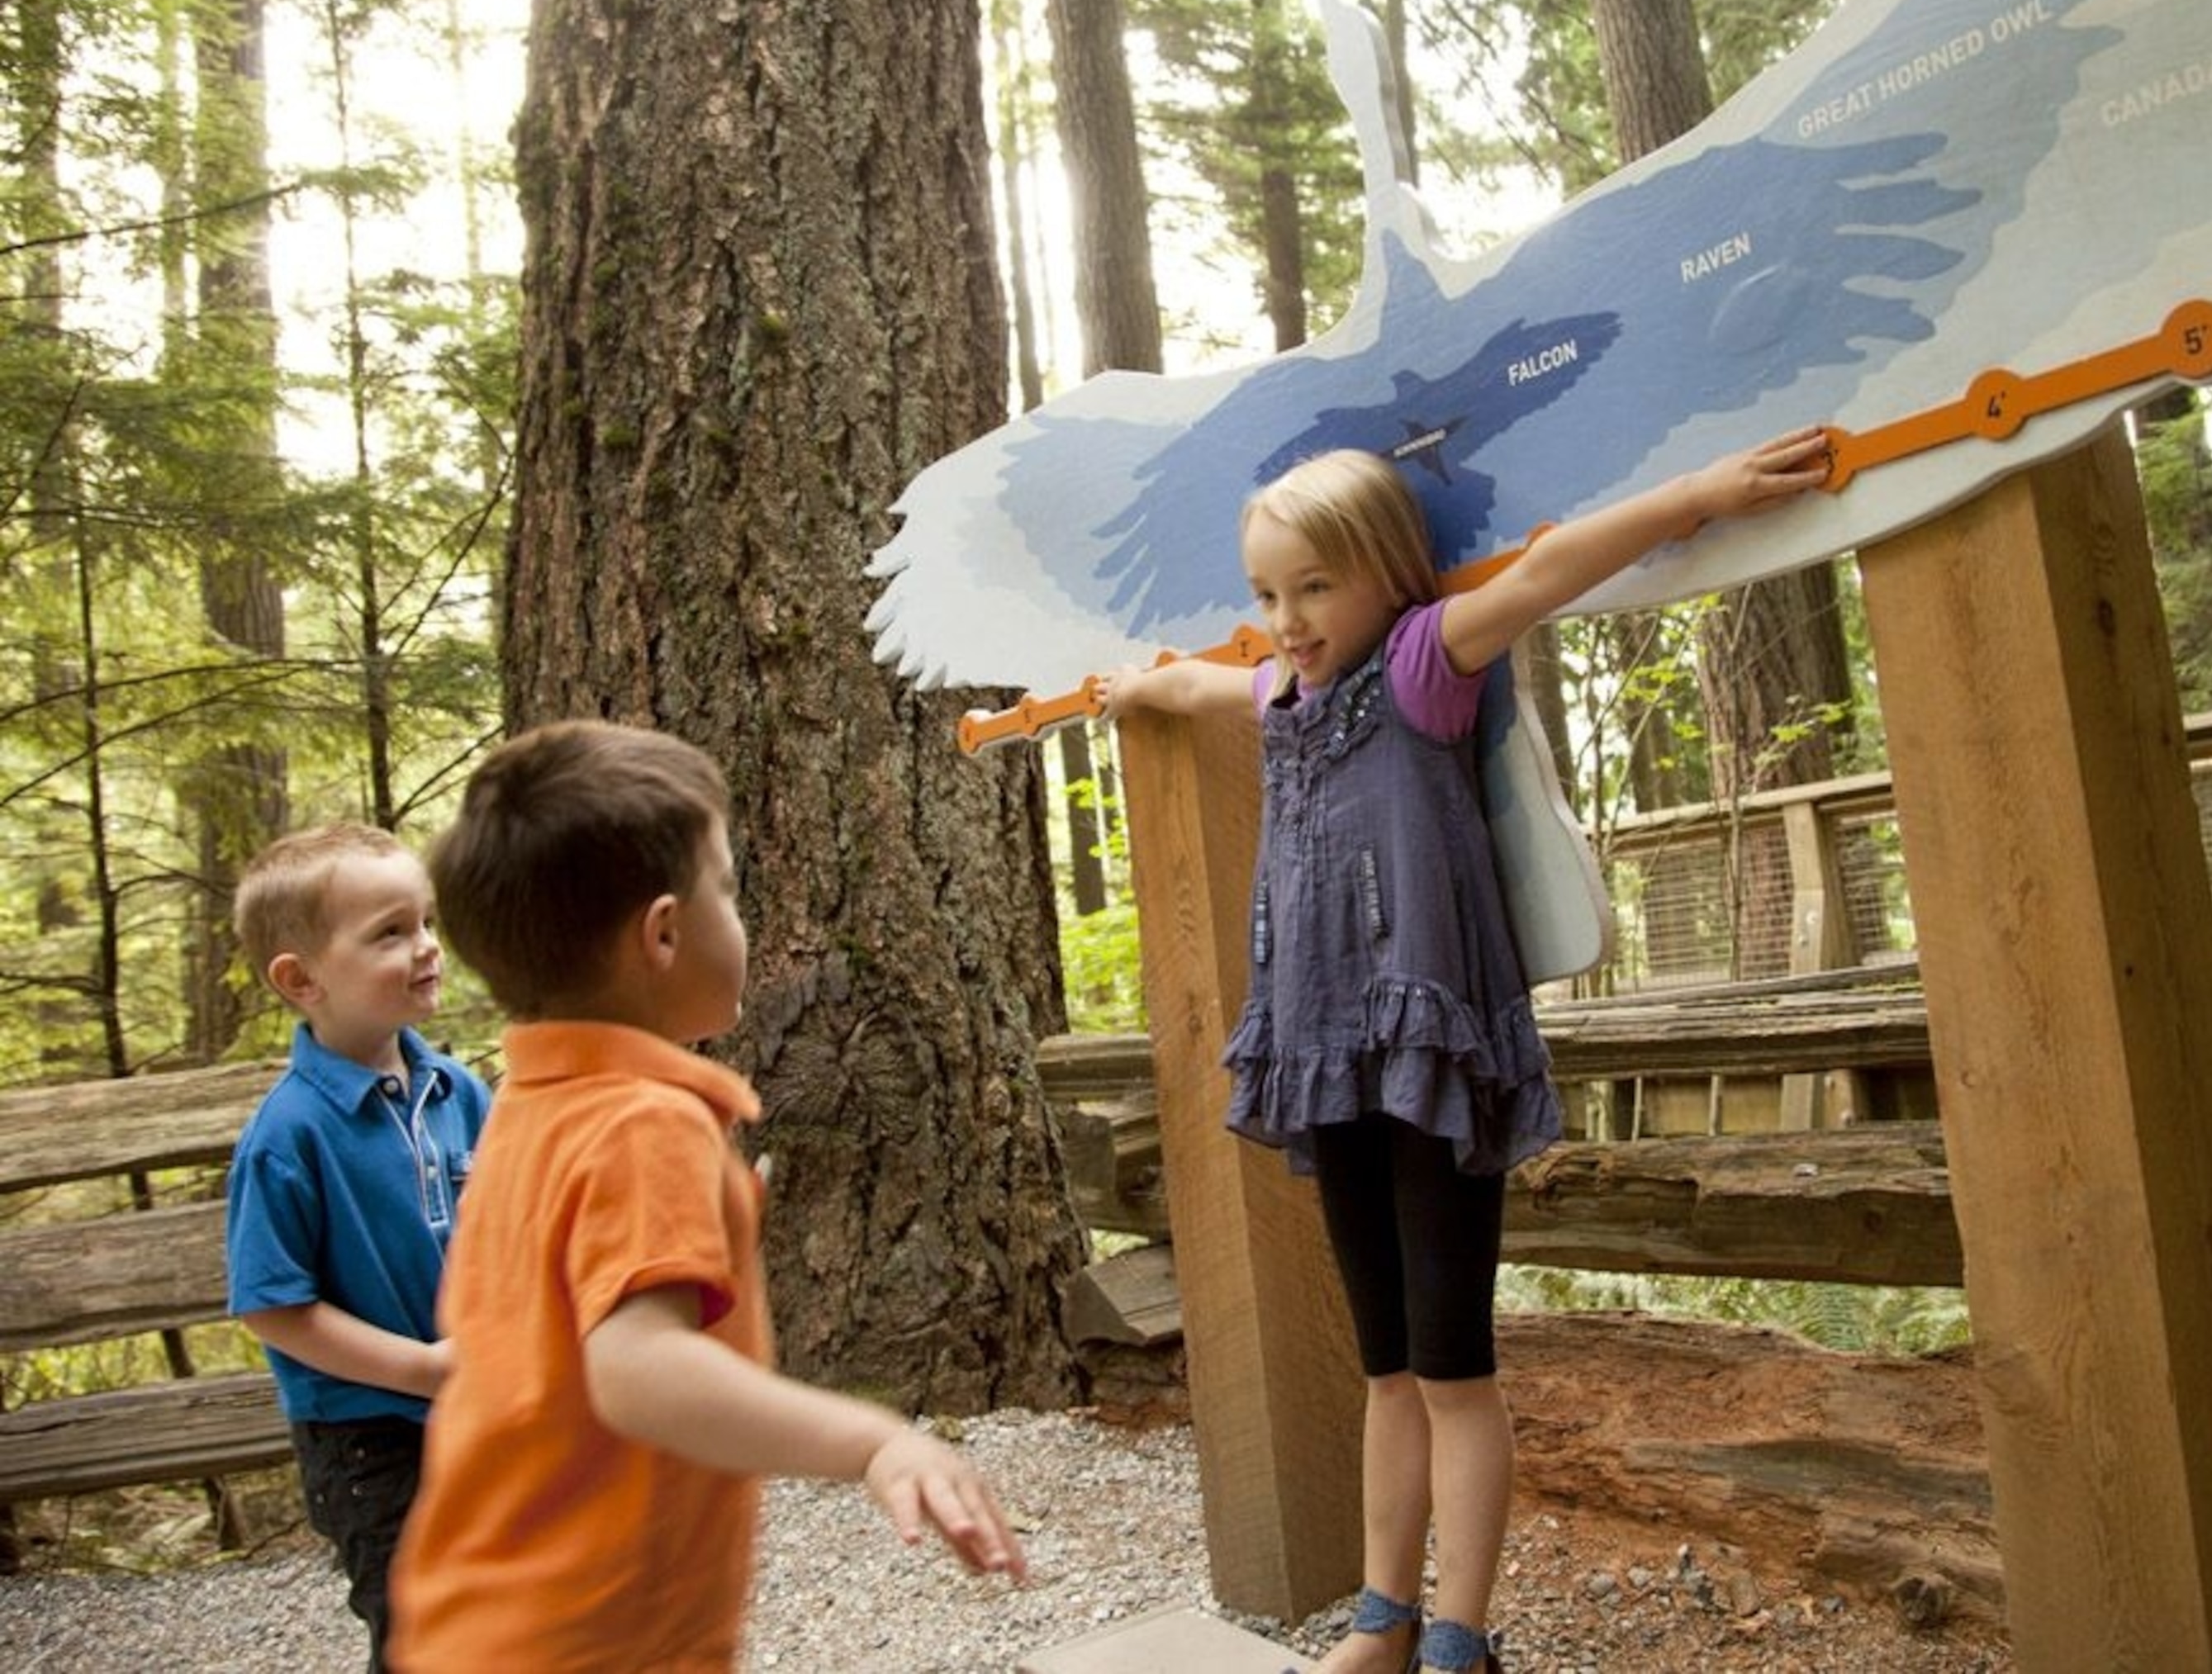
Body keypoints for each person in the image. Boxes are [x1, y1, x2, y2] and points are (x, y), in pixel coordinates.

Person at [1094, 426, 1831, 1674]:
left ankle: (1460, 1632)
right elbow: (1196, 687)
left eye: (1314, 587)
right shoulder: (1284, 698)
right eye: (1270, 593)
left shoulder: (1426, 666)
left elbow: (1550, 572)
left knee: (1450, 1366)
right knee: (1383, 1366)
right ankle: (1383, 1618)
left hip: (1428, 1060)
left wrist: (1698, 494)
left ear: (1385, 571)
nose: (1287, 617)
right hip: (1328, 1059)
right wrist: (1135, 688)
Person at [386, 718, 1023, 1672]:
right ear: (666, 932)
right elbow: (636, 1369)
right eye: (727, 888)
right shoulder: (646, 1123)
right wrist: (872, 1441)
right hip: (593, 1641)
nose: (741, 913)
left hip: (477, 1623)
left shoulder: (532, 1108)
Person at [225, 823, 494, 1672]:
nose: (425, 948)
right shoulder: (289, 1135)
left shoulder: (459, 1091)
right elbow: (274, 1307)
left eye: (425, 922)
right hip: (369, 1438)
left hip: (485, 1410)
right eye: (388, 932)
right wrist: (424, 1371)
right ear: (300, 979)